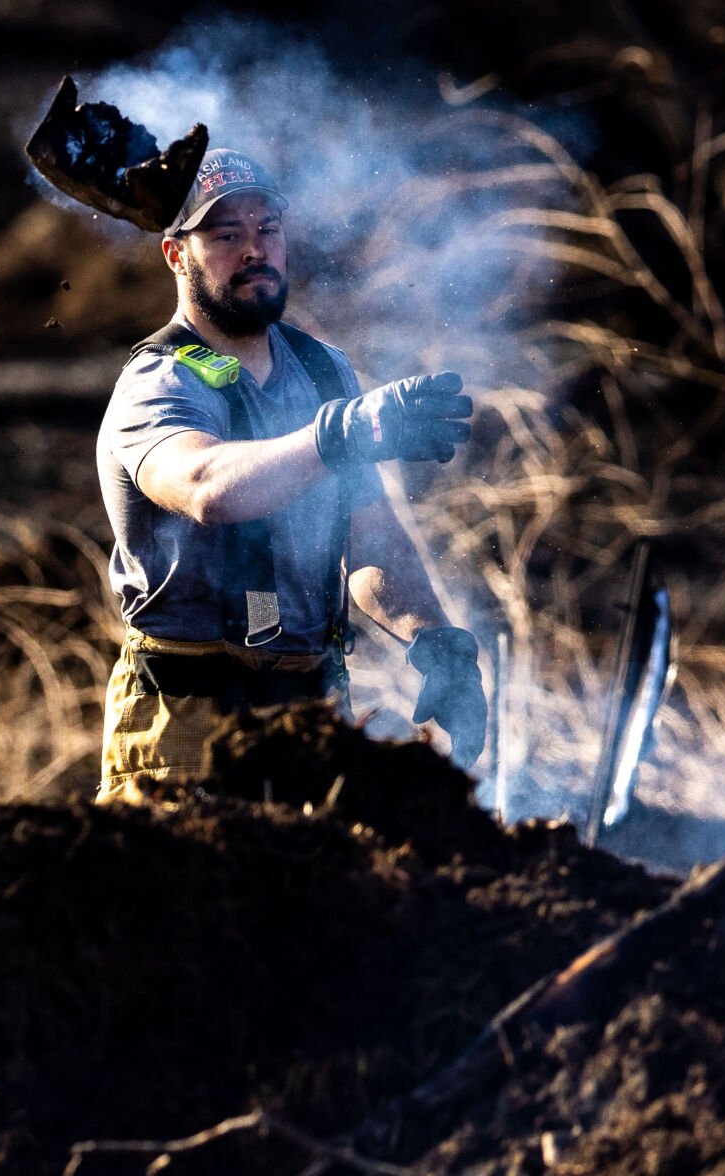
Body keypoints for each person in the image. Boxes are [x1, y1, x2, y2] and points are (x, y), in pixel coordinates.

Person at [95, 147, 487, 801]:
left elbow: (371, 540)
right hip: (184, 733)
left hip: (310, 718)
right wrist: (339, 435)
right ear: (175, 255)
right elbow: (205, 487)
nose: (254, 249)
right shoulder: (159, 382)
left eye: (266, 229)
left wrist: (435, 641)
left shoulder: (325, 372)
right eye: (226, 235)